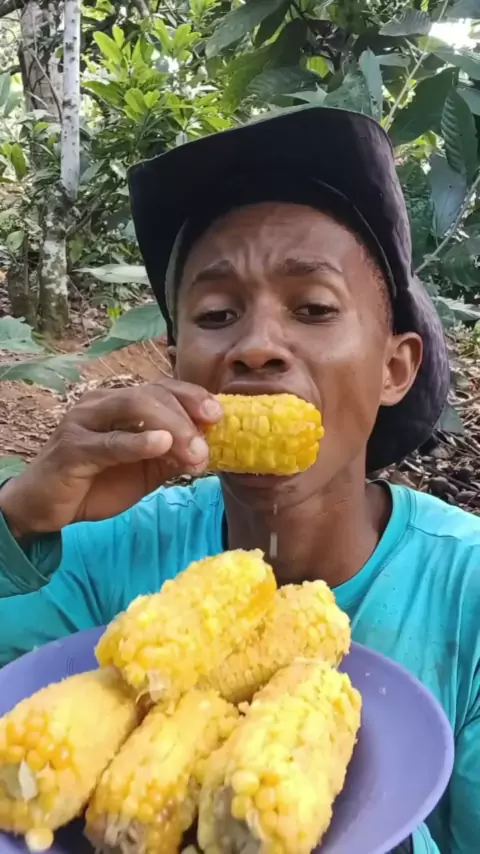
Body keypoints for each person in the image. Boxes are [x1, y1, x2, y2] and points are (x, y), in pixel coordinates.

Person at [0, 106, 478, 854]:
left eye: (313, 307)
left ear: (395, 368)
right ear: (176, 364)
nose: (256, 347)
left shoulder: (467, 594)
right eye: (217, 314)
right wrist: (20, 518)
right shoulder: (103, 550)